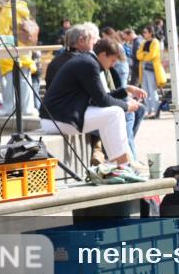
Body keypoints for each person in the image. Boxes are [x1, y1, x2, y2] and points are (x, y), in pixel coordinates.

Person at [41, 38, 146, 183]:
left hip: (60, 116)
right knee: (115, 112)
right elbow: (102, 101)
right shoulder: (88, 64)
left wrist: (126, 90)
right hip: (58, 119)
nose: (113, 64)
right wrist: (127, 106)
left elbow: (101, 97)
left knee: (113, 113)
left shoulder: (88, 61)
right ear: (103, 55)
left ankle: (118, 164)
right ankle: (122, 165)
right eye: (112, 60)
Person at [0, 0, 37, 118]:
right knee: (18, 81)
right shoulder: (14, 8)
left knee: (16, 81)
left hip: (14, 50)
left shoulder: (12, 8)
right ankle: (20, 108)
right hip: (15, 49)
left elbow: (6, 30)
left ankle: (16, 108)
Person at [136, 26, 168, 119]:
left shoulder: (155, 42)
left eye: (145, 32)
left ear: (150, 32)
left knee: (152, 90)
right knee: (145, 91)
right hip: (143, 69)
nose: (144, 33)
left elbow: (152, 55)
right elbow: (138, 55)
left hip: (152, 69)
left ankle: (155, 110)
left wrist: (144, 55)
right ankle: (148, 110)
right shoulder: (144, 42)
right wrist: (145, 55)